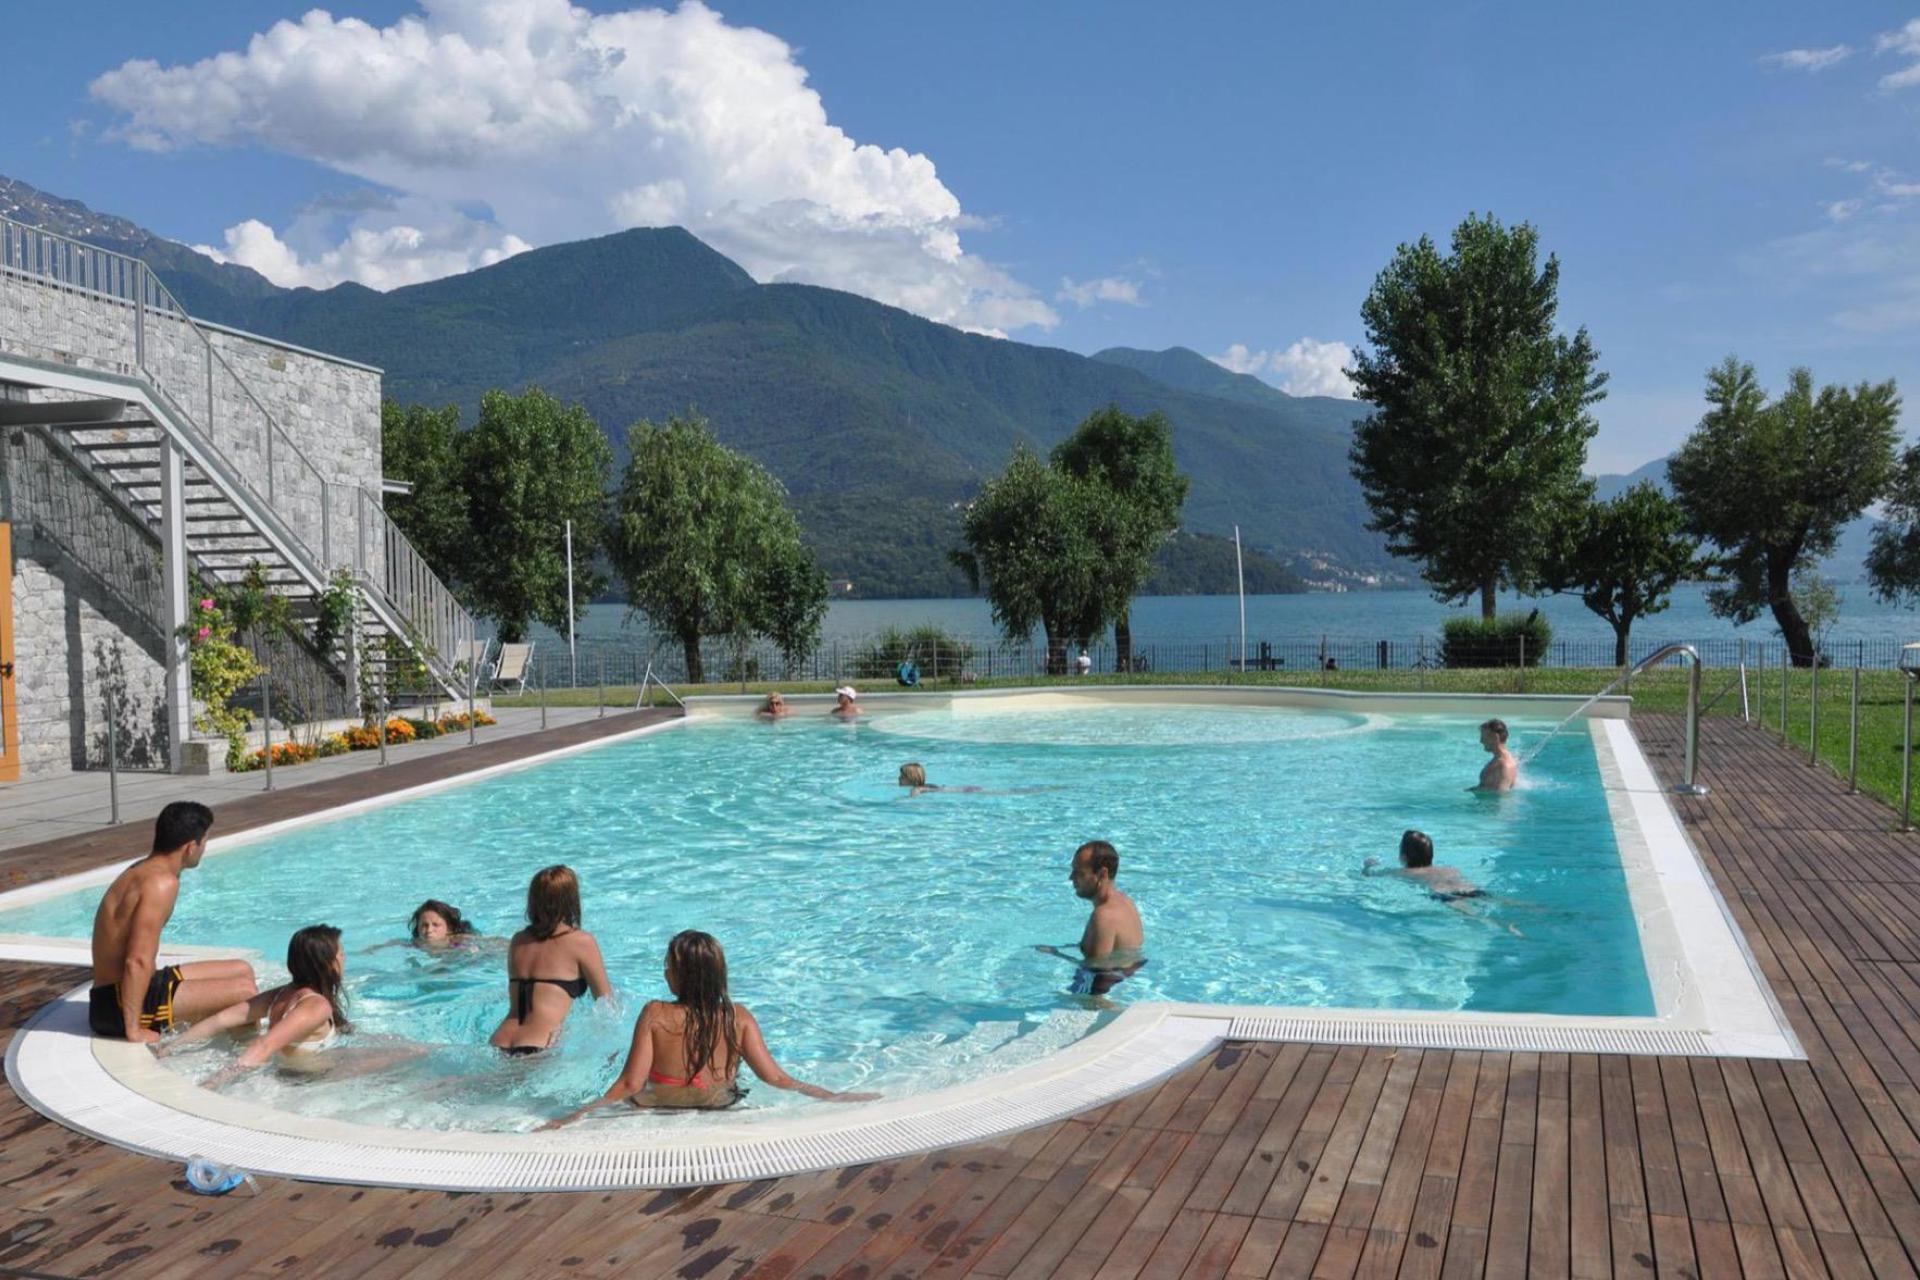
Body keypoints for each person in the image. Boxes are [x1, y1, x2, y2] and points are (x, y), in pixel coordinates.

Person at [540, 930, 878, 1126]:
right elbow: (776, 1078)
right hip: (718, 1104)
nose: (664, 973)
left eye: (668, 967)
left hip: (658, 1103)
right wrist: (832, 1096)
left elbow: (630, 1082)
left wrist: (576, 1115)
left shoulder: (654, 1013)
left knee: (609, 1064)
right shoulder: (738, 1017)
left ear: (679, 976)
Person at [159, 925, 420, 1084]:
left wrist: (170, 1048)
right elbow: (264, 1045)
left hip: (297, 1068)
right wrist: (214, 1083)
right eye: (342, 954)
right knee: (417, 1052)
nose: (345, 958)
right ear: (327, 963)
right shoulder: (317, 1006)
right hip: (310, 1078)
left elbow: (220, 1020)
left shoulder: (282, 994)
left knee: (390, 1043)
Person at [88, 801, 256, 1042]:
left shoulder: (143, 869)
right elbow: (137, 960)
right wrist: (133, 1029)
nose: (204, 848)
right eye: (204, 841)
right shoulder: (161, 884)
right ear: (190, 847)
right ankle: (243, 1060)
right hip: (116, 1005)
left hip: (119, 991)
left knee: (243, 969)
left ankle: (232, 1043)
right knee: (245, 993)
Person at [490, 865, 612, 1055]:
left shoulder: (518, 940)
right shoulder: (581, 942)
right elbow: (607, 1004)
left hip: (500, 1040)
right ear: (570, 900)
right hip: (539, 1044)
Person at [1035, 840, 1146, 997]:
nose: (1071, 877)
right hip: (1126, 979)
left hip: (1106, 990)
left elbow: (1094, 972)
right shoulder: (1125, 901)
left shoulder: (1103, 917)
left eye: (1079, 872)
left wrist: (1055, 955)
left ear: (1102, 874)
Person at [1365, 830, 1522, 935]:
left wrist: (1367, 866)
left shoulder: (1402, 872)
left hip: (1443, 894)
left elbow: (1369, 876)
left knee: (1473, 915)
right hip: (1469, 888)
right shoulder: (1448, 868)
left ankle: (1502, 924)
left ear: (1404, 858)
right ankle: (1532, 908)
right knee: (1500, 900)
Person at [410, 900, 480, 949]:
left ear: (449, 928)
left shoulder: (459, 942)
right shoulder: (416, 943)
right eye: (424, 925)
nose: (429, 930)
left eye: (436, 925)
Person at [1474, 718, 1518, 792]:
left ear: (1495, 737)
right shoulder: (1500, 760)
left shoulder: (1503, 766)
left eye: (1484, 736)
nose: (1481, 741)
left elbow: (1500, 799)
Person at [897, 762, 983, 797]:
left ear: (911, 779)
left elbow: (913, 798)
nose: (899, 778)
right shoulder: (925, 786)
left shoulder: (916, 789)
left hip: (963, 790)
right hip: (965, 788)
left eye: (902, 776)